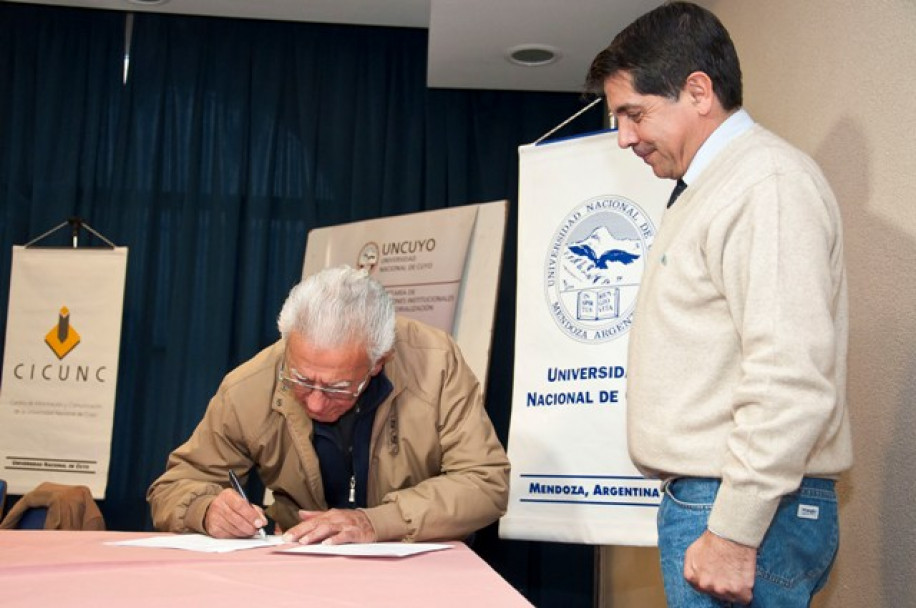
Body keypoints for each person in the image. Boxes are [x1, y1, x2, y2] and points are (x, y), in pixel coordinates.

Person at [585, 3, 852, 606]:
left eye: (634, 114)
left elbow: (791, 378)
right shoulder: (715, 188)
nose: (624, 136)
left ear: (698, 91)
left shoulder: (765, 186)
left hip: (742, 510)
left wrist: (733, 530)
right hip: (722, 501)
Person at [148, 265, 510, 545]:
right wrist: (206, 509)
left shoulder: (436, 364)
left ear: (379, 361)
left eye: (338, 387)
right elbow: (175, 485)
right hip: (300, 565)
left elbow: (485, 482)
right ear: (288, 345)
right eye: (301, 380)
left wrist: (375, 523)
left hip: (416, 564)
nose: (317, 402)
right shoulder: (249, 385)